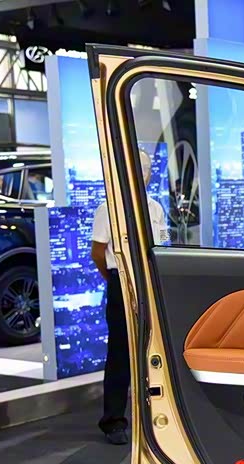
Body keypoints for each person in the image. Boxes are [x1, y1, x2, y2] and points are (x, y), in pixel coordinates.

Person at [91, 149, 168, 445]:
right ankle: (113, 420)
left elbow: (162, 245)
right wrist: (115, 279)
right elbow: (98, 252)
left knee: (153, 351)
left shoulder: (155, 208)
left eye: (144, 170)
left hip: (151, 283)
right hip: (121, 283)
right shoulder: (108, 208)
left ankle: (154, 418)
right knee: (120, 353)